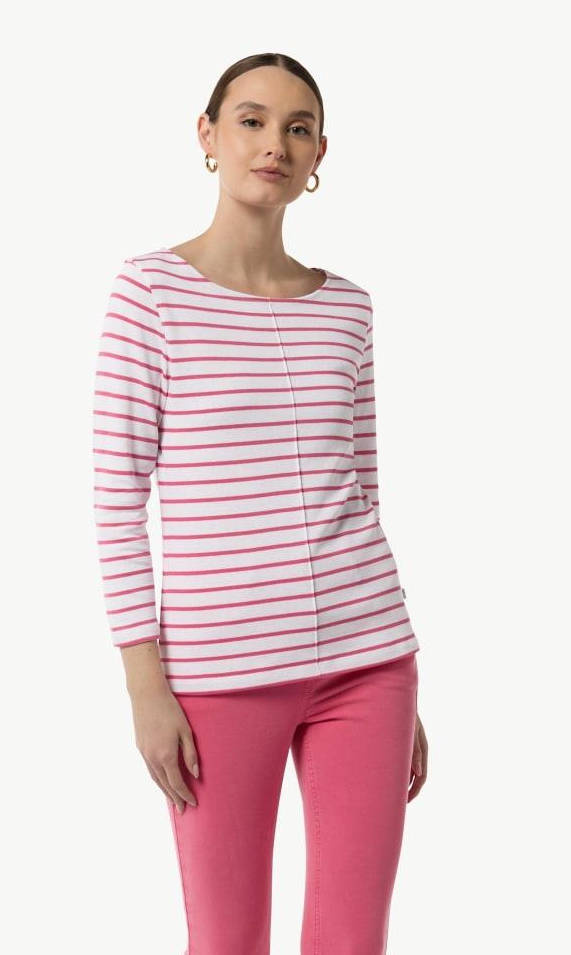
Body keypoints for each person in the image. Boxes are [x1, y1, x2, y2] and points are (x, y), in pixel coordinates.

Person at [92, 51, 429, 955]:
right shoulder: (150, 293)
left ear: (320, 154)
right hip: (219, 672)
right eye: (251, 120)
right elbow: (117, 498)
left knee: (353, 941)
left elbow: (362, 487)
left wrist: (399, 683)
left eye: (297, 127)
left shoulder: (348, 309)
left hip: (369, 663)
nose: (274, 143)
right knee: (227, 940)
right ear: (208, 135)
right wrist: (145, 685)